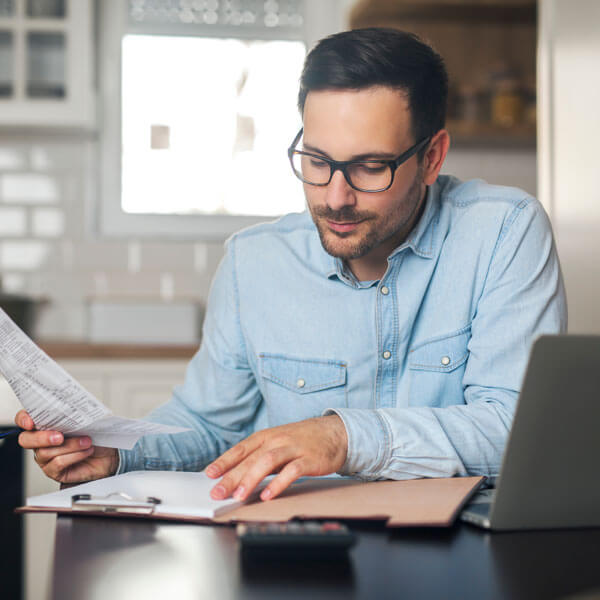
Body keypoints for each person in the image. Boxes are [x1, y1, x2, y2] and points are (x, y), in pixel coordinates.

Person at [16, 28, 566, 503]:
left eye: (370, 167)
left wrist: (343, 437)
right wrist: (115, 455)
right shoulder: (253, 262)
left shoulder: (504, 232)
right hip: (298, 547)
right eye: (317, 162)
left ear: (432, 157)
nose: (336, 197)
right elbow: (210, 425)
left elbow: (515, 432)